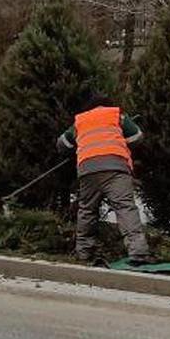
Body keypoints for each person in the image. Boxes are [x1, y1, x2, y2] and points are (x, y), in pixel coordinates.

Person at [56, 92, 156, 266]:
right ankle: (138, 252)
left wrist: (78, 146)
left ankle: (84, 252)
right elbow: (138, 137)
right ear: (108, 105)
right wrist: (120, 140)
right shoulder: (117, 115)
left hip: (87, 169)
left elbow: (62, 144)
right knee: (125, 208)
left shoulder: (80, 120)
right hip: (115, 167)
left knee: (87, 210)